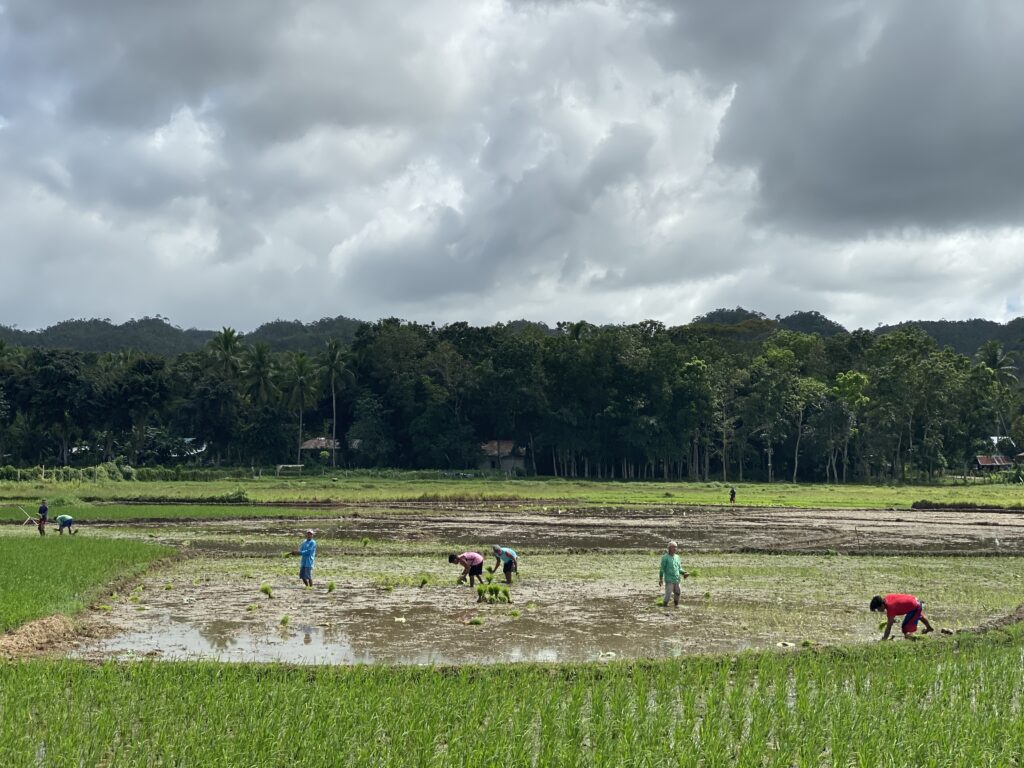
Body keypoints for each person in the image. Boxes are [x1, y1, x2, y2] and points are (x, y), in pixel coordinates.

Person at [658, 540, 689, 607]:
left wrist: (684, 573)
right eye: (673, 547)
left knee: (678, 593)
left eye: (676, 547)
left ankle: (676, 605)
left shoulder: (677, 557)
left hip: (677, 579)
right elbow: (662, 569)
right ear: (669, 548)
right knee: (668, 594)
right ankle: (664, 606)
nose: (675, 549)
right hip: (669, 579)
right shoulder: (665, 557)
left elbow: (679, 569)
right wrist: (661, 579)